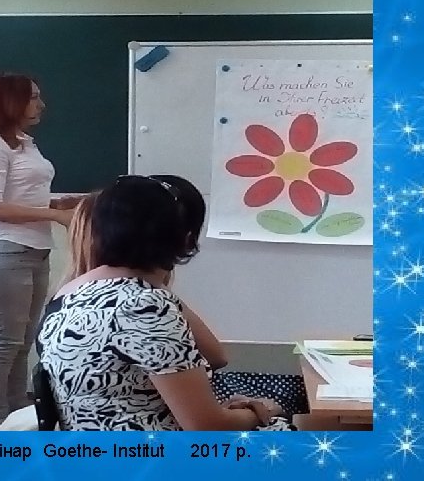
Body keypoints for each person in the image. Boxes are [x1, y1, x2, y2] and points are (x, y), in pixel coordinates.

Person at [36, 175, 289, 430]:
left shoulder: (70, 293)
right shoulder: (145, 306)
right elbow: (206, 426)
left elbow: (214, 358)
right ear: (186, 239)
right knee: (293, 428)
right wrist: (259, 412)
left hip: (93, 443)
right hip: (151, 451)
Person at [0, 73, 77, 430]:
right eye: (33, 97)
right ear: (10, 101)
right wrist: (55, 216)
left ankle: (17, 417)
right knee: (3, 343)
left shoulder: (25, 144)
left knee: (23, 344)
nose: (41, 105)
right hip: (3, 252)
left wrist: (60, 204)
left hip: (35, 251)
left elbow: (23, 197)